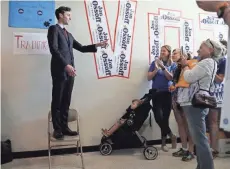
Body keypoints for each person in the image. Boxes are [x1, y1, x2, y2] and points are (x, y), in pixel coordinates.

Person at [47, 6, 108, 140]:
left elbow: (81, 48)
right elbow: (54, 49)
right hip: (60, 70)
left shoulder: (68, 34)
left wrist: (97, 45)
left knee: (66, 100)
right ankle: (57, 129)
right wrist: (66, 65)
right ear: (61, 15)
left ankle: (64, 127)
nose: (70, 17)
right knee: (57, 99)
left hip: (70, 71)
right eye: (68, 15)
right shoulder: (53, 29)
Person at [178, 39, 222, 169]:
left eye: (201, 47)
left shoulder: (208, 62)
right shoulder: (206, 62)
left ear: (210, 50)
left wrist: (185, 65)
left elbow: (189, 77)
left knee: (200, 140)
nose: (198, 50)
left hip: (194, 105)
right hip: (194, 104)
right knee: (198, 139)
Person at [147, 45, 177, 152]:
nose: (162, 52)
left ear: (168, 53)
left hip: (167, 93)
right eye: (161, 51)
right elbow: (149, 77)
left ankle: (163, 144)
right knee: (158, 117)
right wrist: (156, 69)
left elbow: (171, 77)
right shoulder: (154, 63)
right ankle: (171, 135)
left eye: (164, 51)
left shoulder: (172, 65)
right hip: (156, 93)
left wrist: (163, 67)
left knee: (165, 119)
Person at [170, 49, 196, 161]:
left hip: (187, 99)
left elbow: (189, 81)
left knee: (188, 125)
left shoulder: (191, 65)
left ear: (183, 55)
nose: (172, 55)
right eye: (172, 53)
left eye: (175, 53)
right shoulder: (176, 68)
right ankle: (184, 148)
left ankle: (191, 150)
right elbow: (176, 83)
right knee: (180, 124)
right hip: (176, 98)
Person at [206, 40, 227, 158]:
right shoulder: (209, 60)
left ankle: (214, 149)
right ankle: (213, 148)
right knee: (211, 122)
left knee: (216, 122)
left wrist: (209, 70)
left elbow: (220, 79)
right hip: (208, 92)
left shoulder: (223, 60)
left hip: (218, 93)